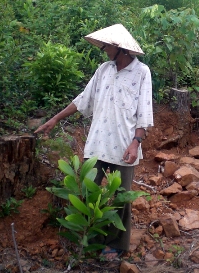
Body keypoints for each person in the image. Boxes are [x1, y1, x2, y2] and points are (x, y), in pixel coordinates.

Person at [35, 24, 153, 260]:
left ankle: (117, 243)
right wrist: (54, 119)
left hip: (124, 145)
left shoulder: (142, 72)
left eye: (107, 45)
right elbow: (83, 100)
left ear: (120, 48)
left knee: (120, 197)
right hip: (98, 143)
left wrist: (136, 142)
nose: (103, 49)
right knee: (90, 192)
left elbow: (144, 111)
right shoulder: (103, 70)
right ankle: (91, 239)